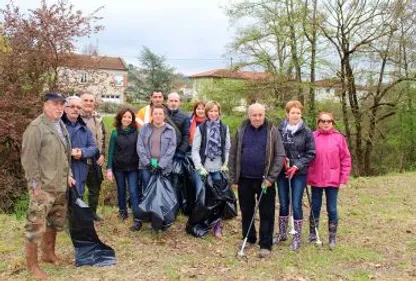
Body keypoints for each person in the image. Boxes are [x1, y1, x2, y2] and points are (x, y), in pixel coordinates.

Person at [21, 92, 76, 280]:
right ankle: (32, 266)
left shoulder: (60, 125)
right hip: (43, 187)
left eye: (62, 104)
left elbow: (63, 153)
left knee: (54, 222)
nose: (59, 108)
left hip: (59, 185)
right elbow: (29, 159)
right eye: (55, 104)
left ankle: (48, 254)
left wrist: (68, 173)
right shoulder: (36, 128)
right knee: (35, 226)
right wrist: (35, 186)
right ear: (45, 105)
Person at [229, 103, 285, 258]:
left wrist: (271, 178)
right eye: (254, 115)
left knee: (266, 212)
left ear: (264, 115)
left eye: (260, 115)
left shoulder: (272, 131)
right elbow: (233, 153)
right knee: (247, 211)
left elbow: (280, 155)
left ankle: (265, 243)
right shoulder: (241, 130)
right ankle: (249, 238)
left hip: (264, 181)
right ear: (249, 115)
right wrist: (233, 177)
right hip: (244, 179)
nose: (258, 118)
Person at [307, 112, 351, 249]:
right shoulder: (312, 137)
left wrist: (343, 179)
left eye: (329, 121)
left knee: (332, 208)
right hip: (316, 178)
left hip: (333, 179)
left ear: (332, 123)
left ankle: (332, 236)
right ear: (318, 122)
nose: (326, 123)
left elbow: (345, 159)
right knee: (315, 206)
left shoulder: (339, 138)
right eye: (323, 121)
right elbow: (306, 155)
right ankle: (313, 233)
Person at [275, 100, 315, 251]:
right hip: (282, 171)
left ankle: (297, 237)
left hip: (299, 173)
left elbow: (311, 153)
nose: (295, 115)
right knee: (284, 202)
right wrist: (281, 158)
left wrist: (297, 165)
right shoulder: (279, 130)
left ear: (301, 114)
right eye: (293, 112)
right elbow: (275, 148)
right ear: (287, 114)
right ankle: (282, 233)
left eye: (298, 113)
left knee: (296, 203)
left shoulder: (306, 131)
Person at [192, 101, 231, 238]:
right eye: (211, 111)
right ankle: (202, 223)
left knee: (218, 198)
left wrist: (226, 163)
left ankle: (217, 225)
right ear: (207, 113)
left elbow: (227, 149)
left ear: (219, 112)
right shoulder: (201, 129)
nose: (213, 114)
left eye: (216, 111)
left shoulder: (224, 128)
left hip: (218, 169)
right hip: (204, 169)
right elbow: (195, 150)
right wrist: (199, 167)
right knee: (202, 197)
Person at [136, 105, 177, 230]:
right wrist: (147, 163)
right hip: (146, 167)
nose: (158, 116)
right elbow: (140, 146)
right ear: (152, 115)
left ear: (164, 115)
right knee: (146, 192)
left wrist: (160, 165)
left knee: (161, 195)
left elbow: (171, 149)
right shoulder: (145, 128)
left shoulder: (170, 130)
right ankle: (143, 219)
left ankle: (160, 221)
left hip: (163, 168)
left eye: (160, 114)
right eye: (156, 113)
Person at [106, 107, 141, 230]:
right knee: (121, 190)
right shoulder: (115, 133)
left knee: (133, 191)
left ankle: (137, 217)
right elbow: (110, 151)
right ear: (120, 118)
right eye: (124, 116)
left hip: (133, 167)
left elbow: (140, 150)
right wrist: (109, 168)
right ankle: (123, 212)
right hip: (118, 167)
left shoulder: (137, 132)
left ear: (132, 119)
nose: (127, 119)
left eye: (129, 117)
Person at [61, 96, 97, 197]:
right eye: (72, 106)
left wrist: (82, 152)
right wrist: (70, 152)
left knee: (77, 202)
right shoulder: (58, 127)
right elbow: (51, 149)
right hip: (62, 171)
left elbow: (93, 148)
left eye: (78, 107)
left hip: (80, 169)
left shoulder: (84, 128)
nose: (75, 109)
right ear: (65, 109)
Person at [80, 92, 106, 221]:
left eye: (91, 100)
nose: (89, 103)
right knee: (78, 190)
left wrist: (102, 154)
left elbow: (103, 138)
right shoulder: (75, 118)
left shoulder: (98, 118)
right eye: (86, 100)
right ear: (80, 102)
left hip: (96, 161)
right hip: (79, 160)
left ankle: (92, 214)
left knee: (95, 190)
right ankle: (77, 216)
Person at [166, 92, 190, 160]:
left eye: (176, 101)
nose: (173, 103)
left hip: (177, 151)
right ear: (167, 102)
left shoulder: (185, 117)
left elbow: (186, 135)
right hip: (162, 151)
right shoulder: (161, 114)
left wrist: (181, 151)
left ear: (179, 102)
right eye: (171, 101)